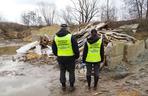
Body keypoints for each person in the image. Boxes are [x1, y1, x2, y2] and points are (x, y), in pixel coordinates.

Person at [52, 24, 79, 91]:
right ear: (67, 28)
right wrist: (77, 56)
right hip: (70, 57)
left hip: (60, 57)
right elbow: (75, 48)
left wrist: (57, 54)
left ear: (60, 28)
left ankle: (63, 86)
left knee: (62, 71)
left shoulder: (55, 37)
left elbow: (54, 49)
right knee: (71, 71)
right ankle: (71, 86)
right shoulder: (71, 37)